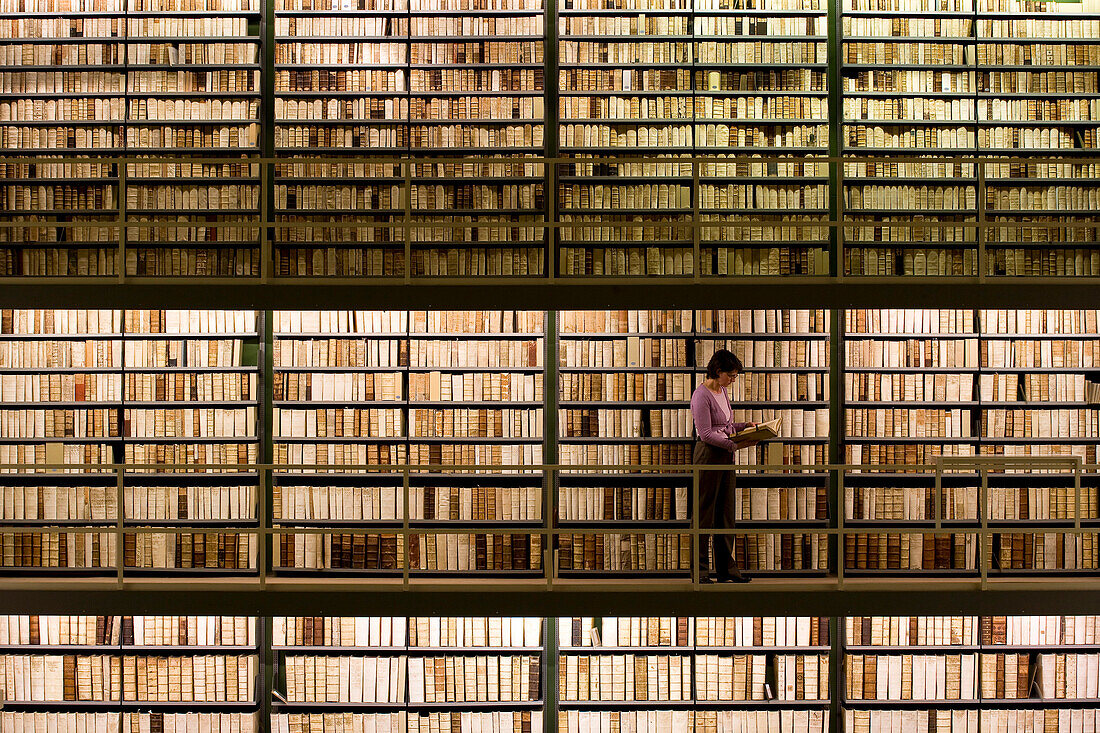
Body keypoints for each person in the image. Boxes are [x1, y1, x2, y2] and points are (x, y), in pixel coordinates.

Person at [690, 348, 758, 583]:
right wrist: (733, 445)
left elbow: (724, 425)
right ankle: (700, 572)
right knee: (703, 516)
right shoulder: (701, 395)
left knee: (725, 515)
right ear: (718, 372)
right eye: (731, 375)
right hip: (709, 457)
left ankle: (726, 570)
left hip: (726, 458)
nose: (733, 380)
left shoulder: (722, 391)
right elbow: (707, 433)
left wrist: (742, 426)